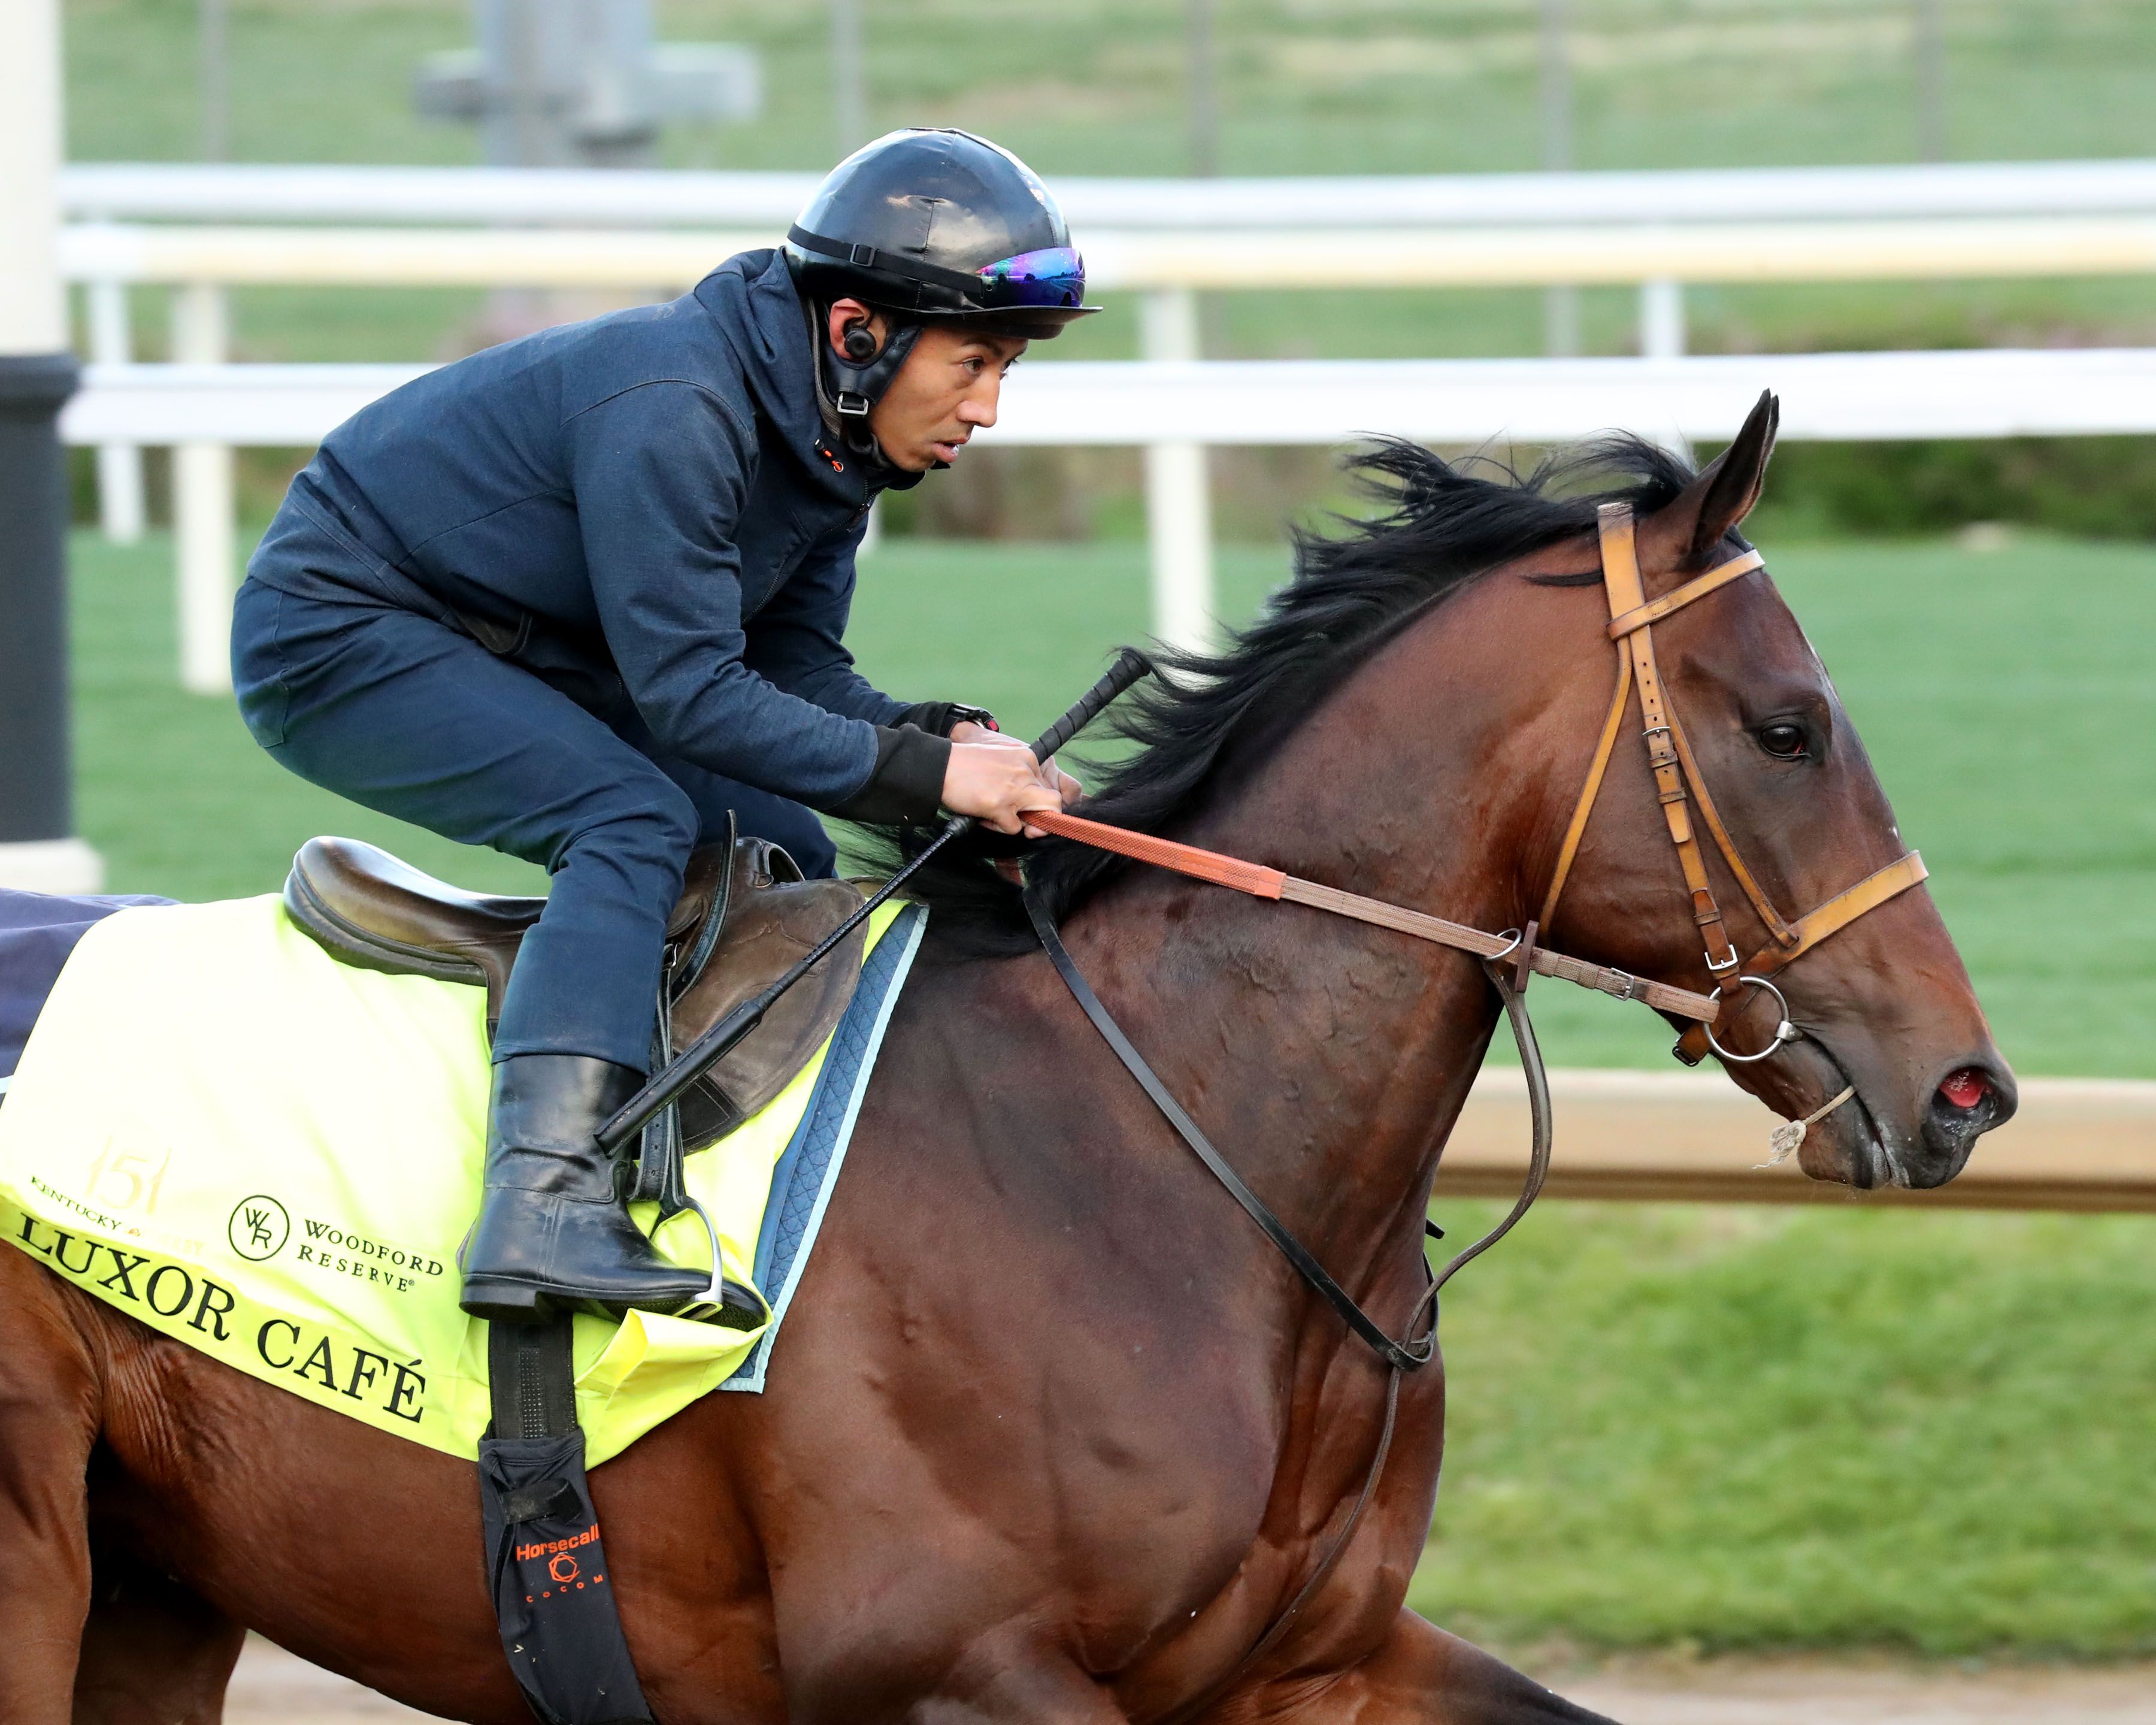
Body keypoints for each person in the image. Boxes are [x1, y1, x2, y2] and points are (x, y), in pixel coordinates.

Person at [230, 129, 1096, 1324]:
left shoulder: (827, 443)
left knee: (778, 833)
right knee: (625, 815)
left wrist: (932, 743)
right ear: (857, 333)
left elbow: (788, 672)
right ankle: (541, 1207)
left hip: (520, 636)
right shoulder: (677, 405)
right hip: (339, 633)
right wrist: (922, 775)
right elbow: (694, 696)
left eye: (1008, 371)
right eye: (975, 365)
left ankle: (689, 1141)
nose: (990, 410)